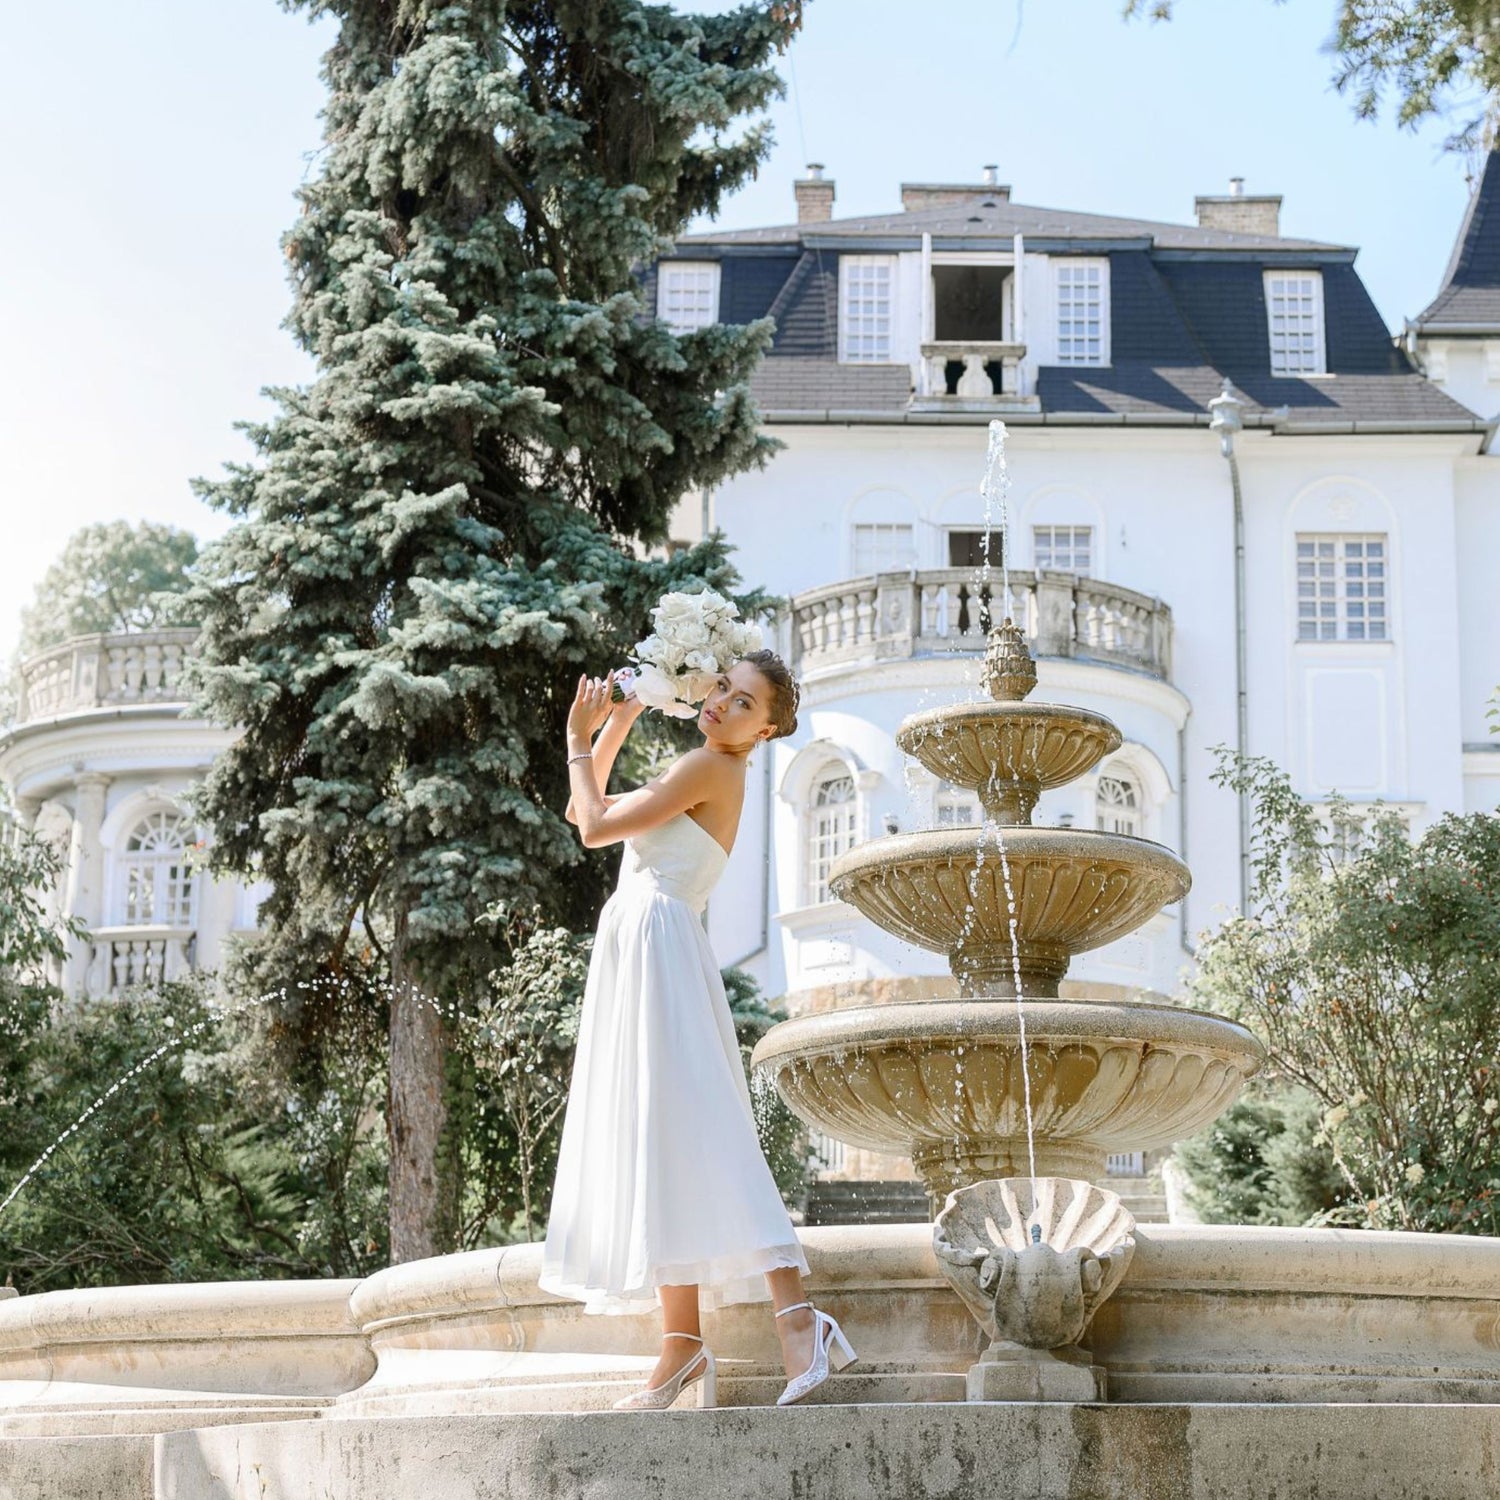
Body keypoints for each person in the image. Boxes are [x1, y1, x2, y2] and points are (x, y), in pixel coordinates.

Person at [537, 650, 857, 1409]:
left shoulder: (710, 767)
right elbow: (584, 811)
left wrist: (580, 737)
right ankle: (681, 1344)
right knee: (661, 1136)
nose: (722, 704)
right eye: (722, 689)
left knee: (704, 1129)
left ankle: (799, 1319)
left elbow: (595, 828)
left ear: (766, 729)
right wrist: (616, 721)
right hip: (642, 944)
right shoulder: (707, 765)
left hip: (660, 946)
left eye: (745, 703)